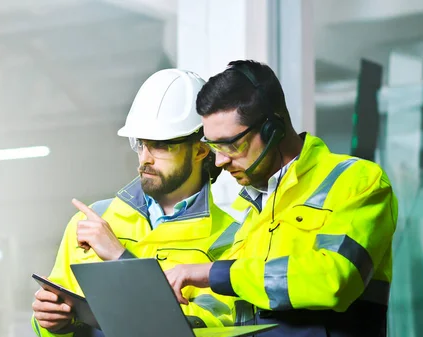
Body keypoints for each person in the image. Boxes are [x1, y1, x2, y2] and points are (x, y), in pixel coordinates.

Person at [165, 60, 398, 337]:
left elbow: (335, 279)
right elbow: (234, 305)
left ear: (272, 129)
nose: (220, 161)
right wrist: (184, 322)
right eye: (213, 146)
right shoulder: (255, 213)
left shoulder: (357, 181)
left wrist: (214, 272)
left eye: (231, 145)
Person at [31, 69, 241, 337]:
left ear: (201, 150)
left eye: (161, 146)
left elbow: (205, 329)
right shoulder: (91, 221)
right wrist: (51, 323)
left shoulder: (230, 240)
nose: (145, 159)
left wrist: (120, 259)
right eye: (140, 144)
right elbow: (54, 317)